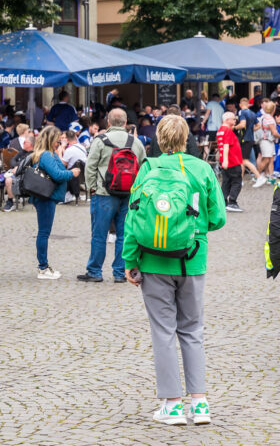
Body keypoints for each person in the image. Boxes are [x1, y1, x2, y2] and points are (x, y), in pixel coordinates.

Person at [123, 114, 225, 426]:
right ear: (186, 139)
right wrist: (193, 225)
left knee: (163, 331)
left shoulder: (148, 168)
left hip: (153, 260)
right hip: (192, 258)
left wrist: (130, 261)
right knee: (192, 330)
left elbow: (134, 219)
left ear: (158, 138)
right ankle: (200, 403)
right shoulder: (202, 169)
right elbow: (218, 218)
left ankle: (172, 405)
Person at [79, 109, 146, 282]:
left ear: (108, 122)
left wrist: (92, 188)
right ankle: (120, 273)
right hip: (128, 194)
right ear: (125, 123)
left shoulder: (100, 141)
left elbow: (90, 167)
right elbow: (144, 169)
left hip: (103, 193)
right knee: (124, 235)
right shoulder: (135, 142)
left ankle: (95, 271)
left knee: (99, 234)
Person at [29, 126, 80, 280]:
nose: (59, 142)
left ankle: (43, 266)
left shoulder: (47, 153)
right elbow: (57, 175)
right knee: (44, 232)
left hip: (46, 196)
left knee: (44, 231)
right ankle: (43, 267)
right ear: (51, 139)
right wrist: (72, 173)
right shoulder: (46, 155)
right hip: (46, 197)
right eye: (58, 140)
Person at [216, 112, 243, 212]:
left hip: (226, 161)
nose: (235, 120)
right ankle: (232, 202)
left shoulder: (220, 130)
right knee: (237, 182)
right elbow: (226, 145)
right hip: (232, 161)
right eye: (233, 119)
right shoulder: (227, 130)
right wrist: (226, 160)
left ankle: (223, 202)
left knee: (226, 182)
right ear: (227, 120)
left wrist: (223, 160)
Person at [256, 99, 280, 182]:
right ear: (273, 109)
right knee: (266, 159)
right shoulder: (269, 118)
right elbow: (274, 132)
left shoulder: (265, 116)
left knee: (270, 159)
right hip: (267, 141)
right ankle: (257, 175)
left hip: (267, 140)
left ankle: (270, 176)